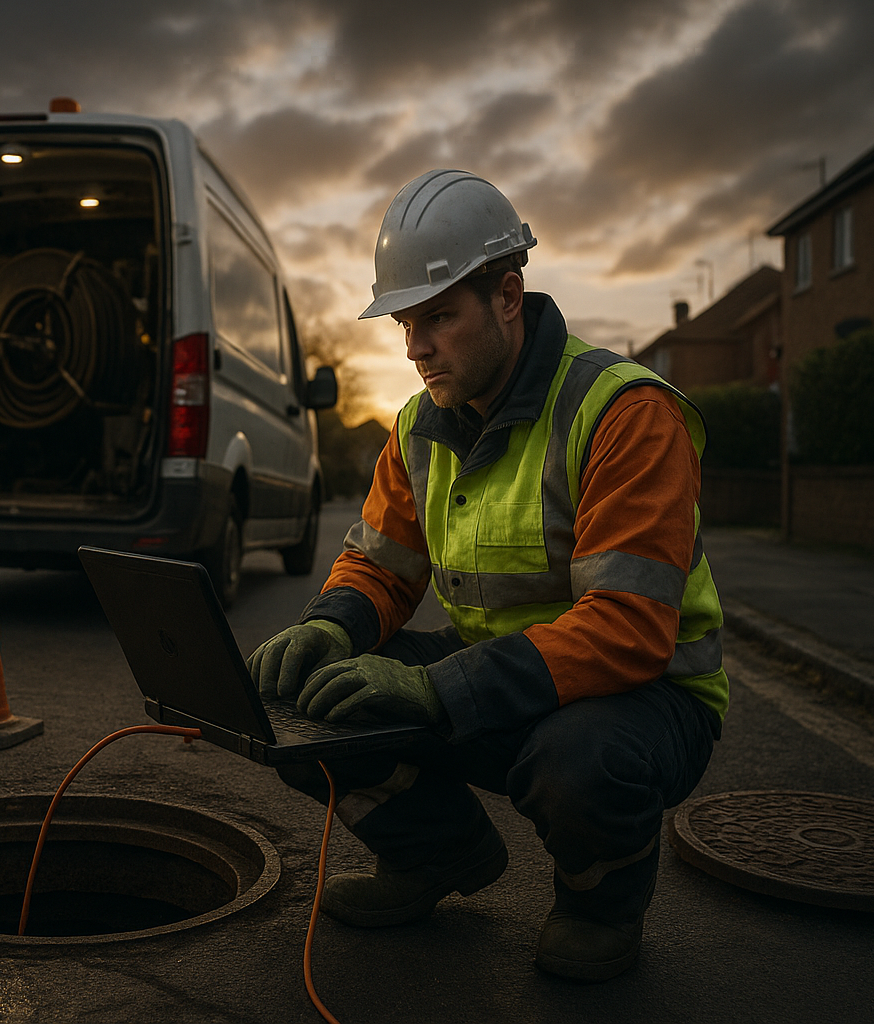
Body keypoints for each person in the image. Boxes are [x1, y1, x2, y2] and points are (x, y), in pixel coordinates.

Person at [247, 169, 728, 983]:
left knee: (576, 759)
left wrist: (440, 692)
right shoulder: (417, 427)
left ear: (508, 297)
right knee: (305, 701)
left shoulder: (623, 411)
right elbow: (379, 567)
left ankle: (598, 903)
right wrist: (330, 626)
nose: (415, 346)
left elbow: (629, 628)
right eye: (406, 321)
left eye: (438, 317)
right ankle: (436, 855)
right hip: (502, 684)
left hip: (645, 699)